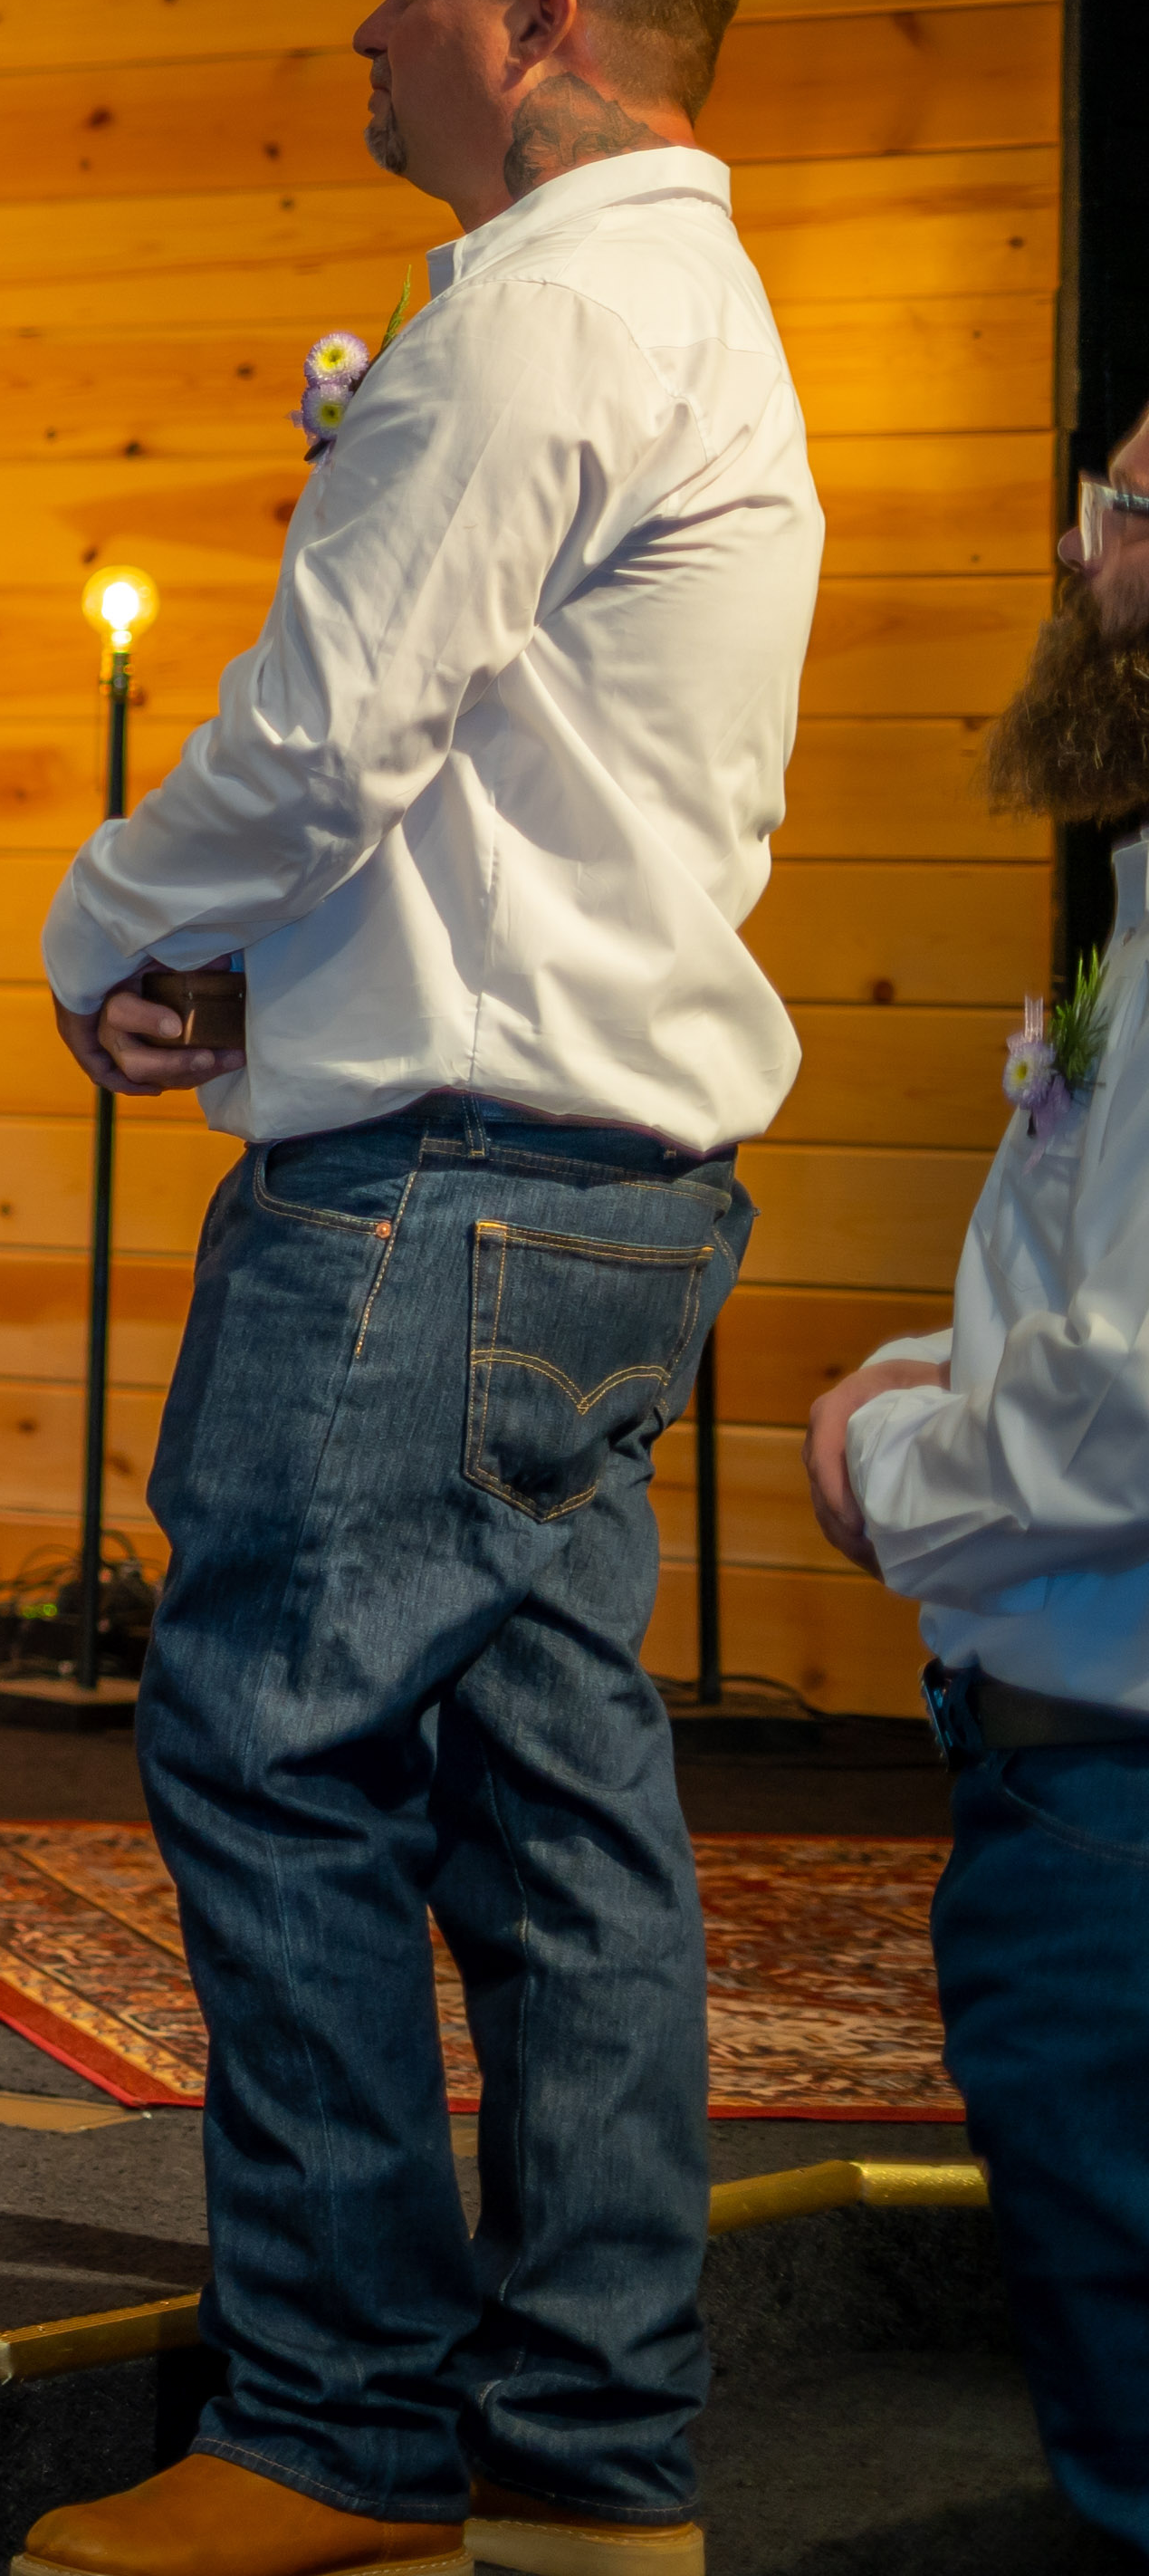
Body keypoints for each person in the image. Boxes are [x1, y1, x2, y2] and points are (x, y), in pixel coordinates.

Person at [14, 0, 819, 2576]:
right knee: (558, 1811)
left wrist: (104, 923)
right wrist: (290, 989)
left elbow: (328, 742)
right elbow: (523, 798)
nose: (369, 29)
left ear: (553, 24)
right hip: (596, 1161)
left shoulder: (546, 318)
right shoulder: (691, 303)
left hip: (439, 1202)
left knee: (281, 1762)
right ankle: (590, 2465)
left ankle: (338, 2436)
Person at [803, 416, 1149, 2552]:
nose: (1072, 540)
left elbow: (1134, 1400)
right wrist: (951, 1358)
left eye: (1121, 508)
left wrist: (888, 1460)